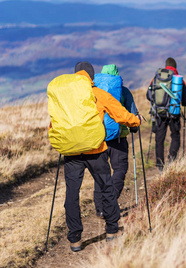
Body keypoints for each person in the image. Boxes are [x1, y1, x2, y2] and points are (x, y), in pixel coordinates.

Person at [58, 62, 140, 252]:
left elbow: (57, 121)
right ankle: (111, 230)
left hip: (71, 151)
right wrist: (136, 121)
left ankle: (75, 239)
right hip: (95, 150)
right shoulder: (98, 94)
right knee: (106, 187)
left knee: (72, 193)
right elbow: (120, 114)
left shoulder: (66, 96)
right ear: (92, 77)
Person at [93, 64, 139, 219]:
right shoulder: (123, 91)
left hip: (98, 138)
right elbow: (131, 113)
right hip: (118, 138)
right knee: (119, 170)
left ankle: (100, 208)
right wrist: (134, 126)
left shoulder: (93, 91)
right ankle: (109, 204)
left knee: (100, 173)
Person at [150, 57, 186, 172]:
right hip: (174, 113)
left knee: (159, 138)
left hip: (159, 113)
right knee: (175, 136)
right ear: (175, 67)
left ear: (165, 65)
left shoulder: (157, 77)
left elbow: (149, 95)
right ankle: (172, 159)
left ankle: (160, 165)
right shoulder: (179, 80)